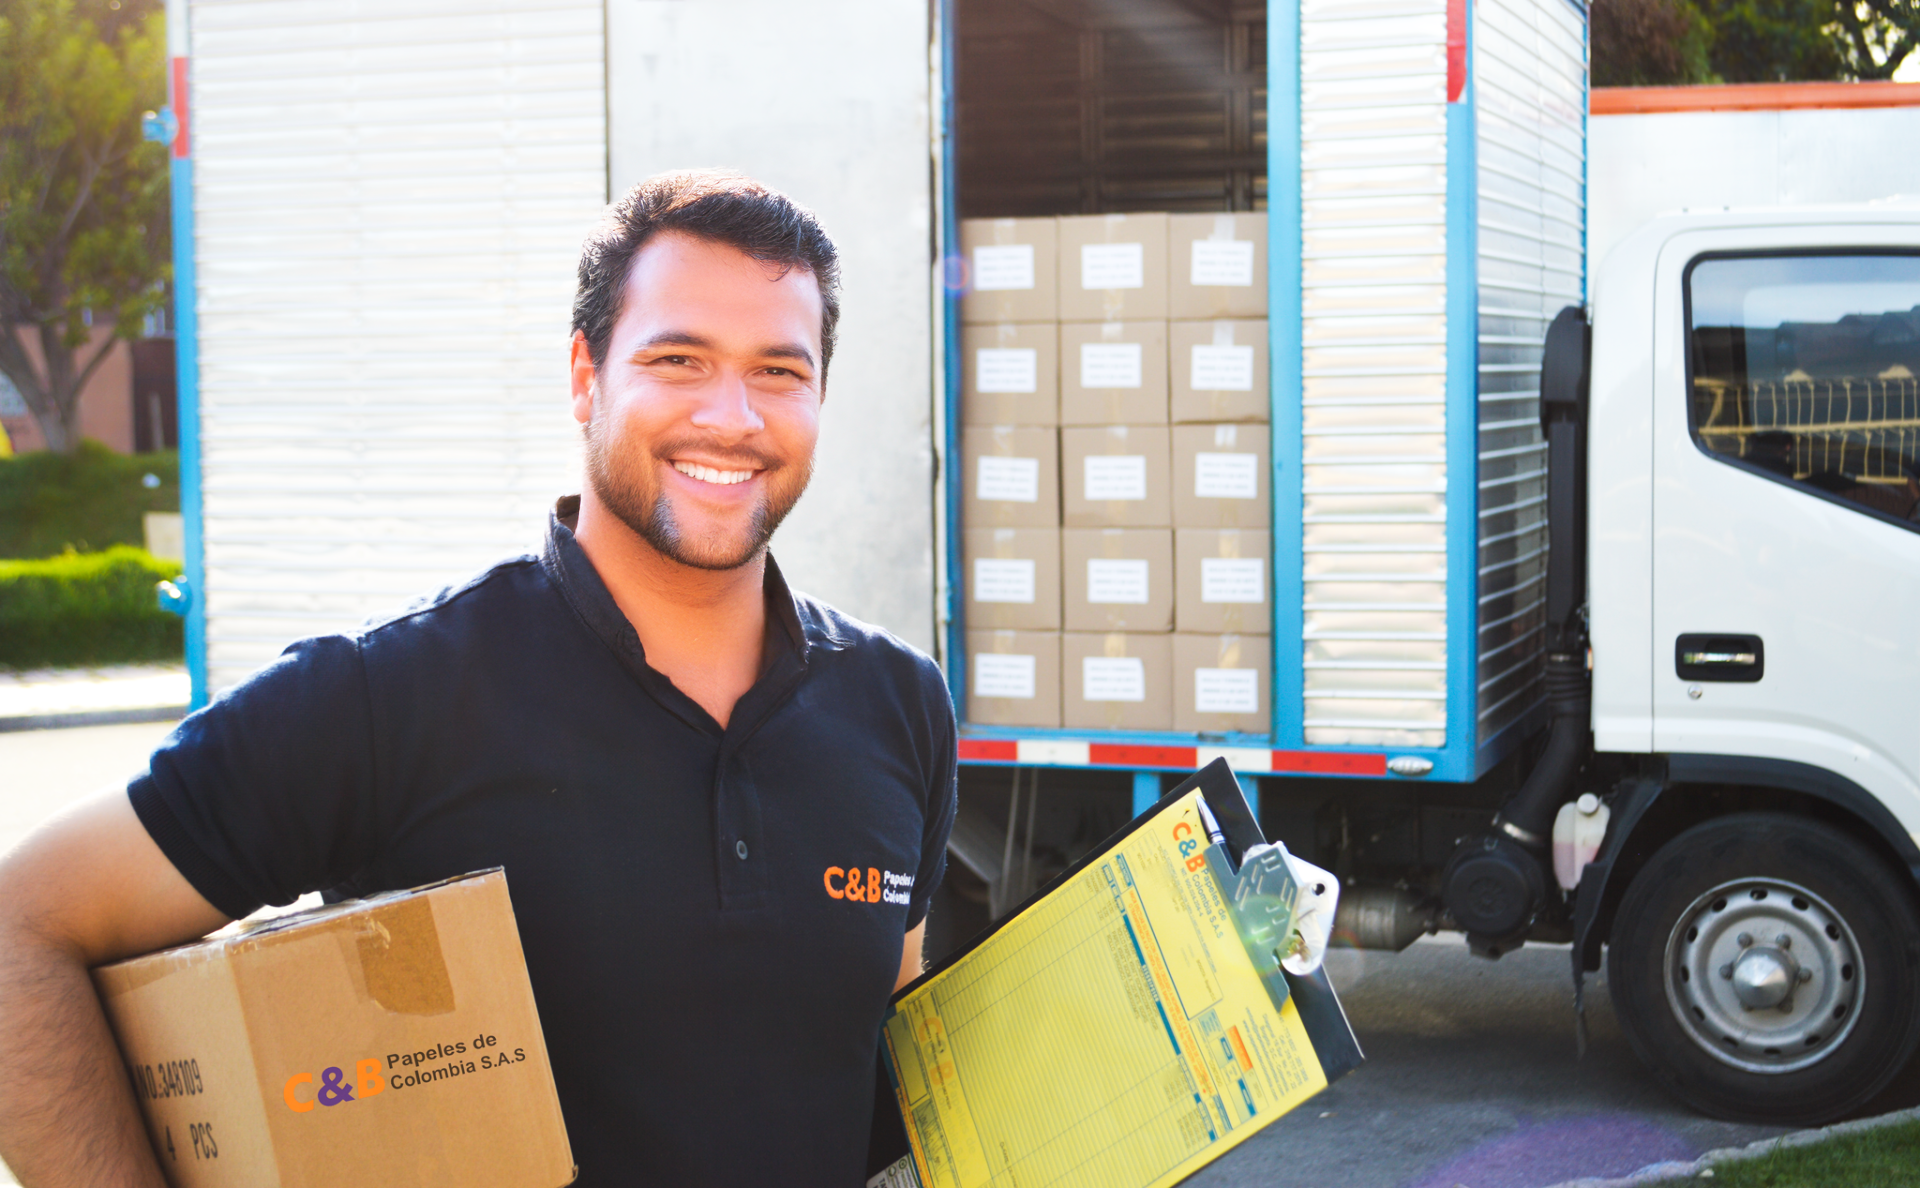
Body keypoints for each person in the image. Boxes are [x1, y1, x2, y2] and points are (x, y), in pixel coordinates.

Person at [0, 171, 958, 1188]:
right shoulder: (390, 700)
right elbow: (24, 929)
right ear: (585, 376)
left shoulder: (897, 705)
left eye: (779, 370)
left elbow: (886, 1064)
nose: (734, 415)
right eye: (679, 359)